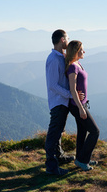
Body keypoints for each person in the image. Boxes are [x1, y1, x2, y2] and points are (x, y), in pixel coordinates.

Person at [44, 29, 76, 175]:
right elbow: (52, 84)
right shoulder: (53, 59)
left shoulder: (60, 57)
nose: (68, 41)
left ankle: (60, 156)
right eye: (67, 38)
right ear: (62, 40)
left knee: (59, 132)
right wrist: (69, 94)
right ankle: (51, 166)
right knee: (53, 134)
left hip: (62, 101)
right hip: (58, 101)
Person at [65, 40, 100, 171]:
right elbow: (73, 89)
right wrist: (80, 108)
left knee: (82, 132)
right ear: (75, 51)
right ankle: (83, 160)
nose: (84, 51)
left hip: (81, 104)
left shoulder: (78, 64)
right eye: (81, 50)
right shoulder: (73, 67)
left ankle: (80, 158)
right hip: (77, 105)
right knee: (95, 131)